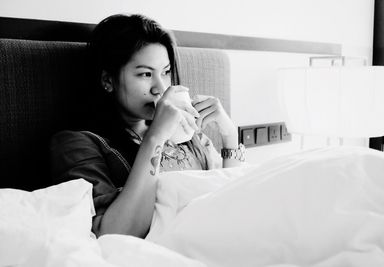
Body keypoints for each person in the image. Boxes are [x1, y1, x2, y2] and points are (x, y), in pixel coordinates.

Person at [50, 13, 245, 239]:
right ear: (107, 80)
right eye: (145, 74)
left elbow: (232, 197)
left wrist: (229, 135)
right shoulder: (77, 144)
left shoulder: (187, 134)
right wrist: (155, 138)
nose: (160, 88)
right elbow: (112, 233)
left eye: (166, 72)